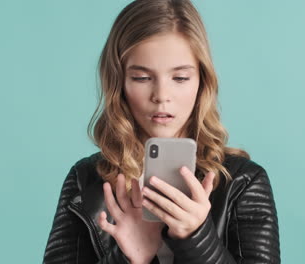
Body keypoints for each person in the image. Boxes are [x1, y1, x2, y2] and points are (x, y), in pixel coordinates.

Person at [43, 0, 280, 263]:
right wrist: (130, 258)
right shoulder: (85, 180)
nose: (161, 96)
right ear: (118, 82)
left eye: (180, 78)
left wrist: (196, 238)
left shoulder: (242, 181)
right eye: (142, 78)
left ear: (202, 81)